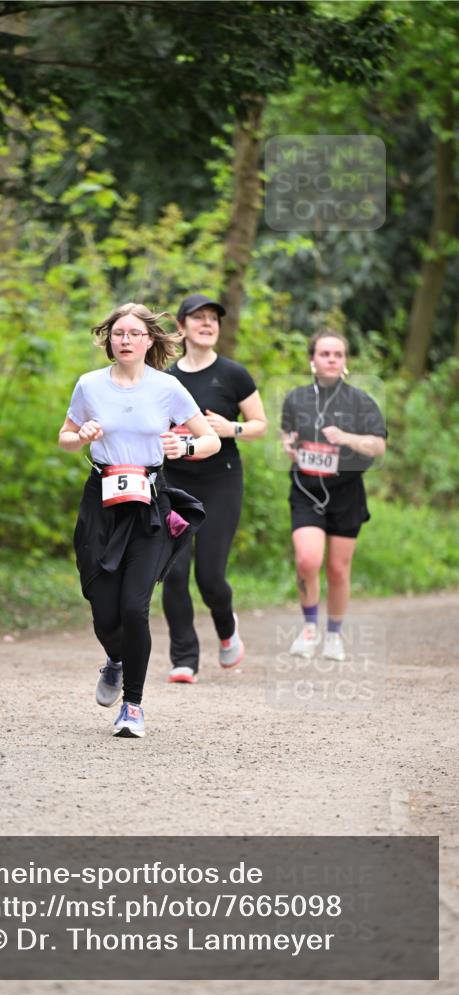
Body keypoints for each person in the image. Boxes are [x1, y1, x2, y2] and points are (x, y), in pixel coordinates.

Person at [58, 302, 220, 737]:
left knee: (134, 607)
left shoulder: (167, 389)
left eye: (133, 333)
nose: (125, 340)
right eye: (118, 334)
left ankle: (133, 706)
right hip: (101, 501)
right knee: (103, 611)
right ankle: (114, 659)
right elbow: (66, 437)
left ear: (150, 341)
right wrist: (82, 436)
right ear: (108, 340)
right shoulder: (89, 385)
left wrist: (183, 448)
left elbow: (210, 441)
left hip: (149, 502)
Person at [162, 294, 267, 683]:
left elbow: (259, 423)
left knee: (209, 575)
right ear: (182, 326)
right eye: (198, 317)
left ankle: (226, 628)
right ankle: (184, 658)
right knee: (173, 571)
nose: (207, 324)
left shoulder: (233, 374)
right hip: (173, 481)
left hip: (221, 479)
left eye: (213, 319)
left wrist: (231, 428)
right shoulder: (166, 379)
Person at [281, 329, 386, 660]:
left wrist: (346, 438)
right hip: (306, 490)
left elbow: (378, 446)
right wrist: (289, 447)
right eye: (324, 354)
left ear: (345, 362)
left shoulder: (360, 401)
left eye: (337, 355)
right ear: (313, 360)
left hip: (346, 492)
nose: (331, 359)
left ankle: (334, 635)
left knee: (338, 570)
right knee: (307, 560)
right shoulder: (296, 398)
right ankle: (310, 627)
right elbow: (288, 438)